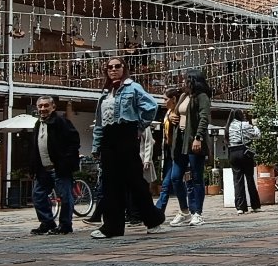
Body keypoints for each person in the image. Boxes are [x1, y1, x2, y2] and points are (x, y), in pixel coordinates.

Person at [90, 57, 165, 239]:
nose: (113, 69)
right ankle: (112, 226)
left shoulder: (133, 87)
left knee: (135, 181)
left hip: (126, 135)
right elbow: (100, 122)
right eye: (110, 67)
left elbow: (151, 106)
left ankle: (153, 219)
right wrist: (96, 145)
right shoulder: (105, 93)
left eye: (117, 66)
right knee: (110, 183)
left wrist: (139, 127)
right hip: (109, 138)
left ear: (124, 68)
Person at [29, 95, 81, 236]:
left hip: (59, 167)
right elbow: (35, 147)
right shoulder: (38, 124)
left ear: (53, 107)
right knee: (38, 196)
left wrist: (66, 161)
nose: (43, 109)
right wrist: (33, 167)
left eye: (46, 105)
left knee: (65, 197)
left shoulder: (61, 122)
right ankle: (47, 223)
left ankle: (65, 225)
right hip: (43, 169)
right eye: (40, 106)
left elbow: (74, 141)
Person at [178, 69, 213, 226]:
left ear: (193, 80)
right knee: (182, 178)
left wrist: (198, 137)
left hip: (194, 141)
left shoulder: (202, 97)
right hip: (181, 141)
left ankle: (197, 212)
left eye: (185, 79)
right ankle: (188, 211)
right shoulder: (185, 96)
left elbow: (204, 118)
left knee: (196, 177)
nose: (183, 82)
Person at [154, 87, 191, 223]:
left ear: (173, 99)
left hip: (177, 151)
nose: (163, 102)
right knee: (167, 183)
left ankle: (162, 210)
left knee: (171, 181)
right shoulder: (168, 113)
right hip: (168, 152)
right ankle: (161, 210)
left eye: (165, 99)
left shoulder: (176, 113)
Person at [227, 109, 262, 213]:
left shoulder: (228, 126)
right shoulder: (245, 125)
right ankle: (255, 205)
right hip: (243, 151)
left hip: (232, 152)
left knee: (237, 180)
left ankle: (240, 207)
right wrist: (255, 125)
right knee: (249, 178)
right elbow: (257, 135)